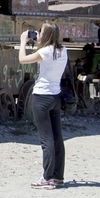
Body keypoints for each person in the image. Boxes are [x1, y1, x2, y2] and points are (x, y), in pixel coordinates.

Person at [19, 22, 67, 189]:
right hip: (56, 97)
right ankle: (58, 176)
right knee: (57, 138)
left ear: (45, 35)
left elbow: (22, 59)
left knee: (46, 140)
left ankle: (47, 178)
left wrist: (23, 42)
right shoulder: (63, 50)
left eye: (40, 32)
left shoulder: (45, 52)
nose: (37, 34)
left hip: (41, 97)